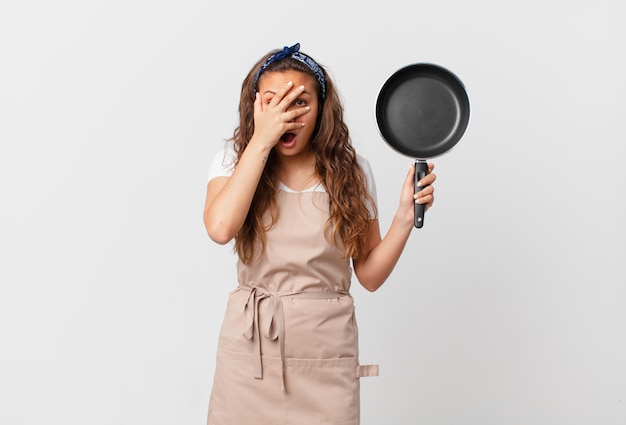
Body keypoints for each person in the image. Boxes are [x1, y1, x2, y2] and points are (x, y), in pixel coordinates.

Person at [203, 43, 436, 425]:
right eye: (273, 102)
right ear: (256, 107)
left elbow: (370, 276)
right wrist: (261, 141)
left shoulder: (352, 171)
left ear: (321, 109)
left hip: (326, 355)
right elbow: (220, 228)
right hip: (251, 356)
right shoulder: (234, 160)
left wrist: (404, 218)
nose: (286, 115)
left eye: (300, 102)